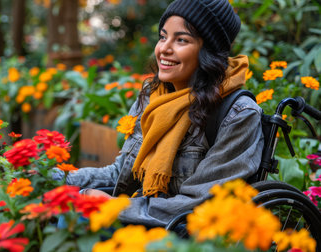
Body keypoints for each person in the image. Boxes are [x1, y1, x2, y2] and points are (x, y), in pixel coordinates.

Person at [53, 0, 264, 227]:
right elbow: (121, 173)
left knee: (70, 225)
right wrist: (54, 177)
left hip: (188, 234)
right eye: (163, 37)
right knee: (58, 213)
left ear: (208, 51)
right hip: (144, 219)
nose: (164, 48)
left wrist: (113, 206)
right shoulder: (154, 98)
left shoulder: (238, 114)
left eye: (181, 40)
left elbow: (198, 204)